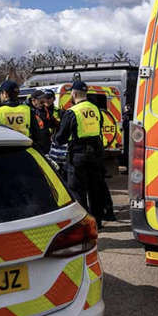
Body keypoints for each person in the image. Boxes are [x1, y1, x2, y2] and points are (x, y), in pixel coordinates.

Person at [54, 81, 107, 224]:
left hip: (79, 154)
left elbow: (61, 137)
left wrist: (55, 137)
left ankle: (84, 222)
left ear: (74, 93)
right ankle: (98, 221)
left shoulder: (72, 111)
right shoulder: (95, 109)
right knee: (95, 187)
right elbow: (99, 125)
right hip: (96, 153)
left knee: (77, 189)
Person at [31, 90, 54, 155]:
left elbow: (51, 122)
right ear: (34, 100)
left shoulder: (44, 109)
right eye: (41, 102)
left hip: (45, 144)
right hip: (33, 144)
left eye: (44, 102)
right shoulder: (27, 110)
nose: (43, 104)